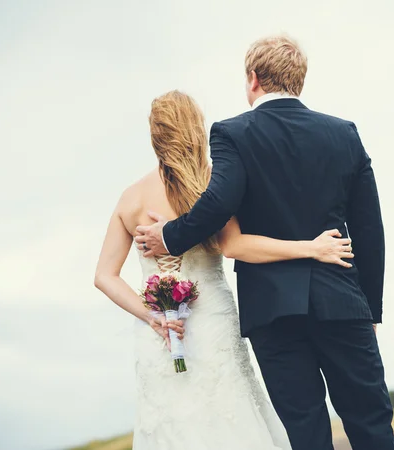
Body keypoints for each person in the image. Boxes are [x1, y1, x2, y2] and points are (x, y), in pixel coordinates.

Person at [135, 35, 394, 450]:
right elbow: (370, 229)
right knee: (372, 427)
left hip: (273, 311)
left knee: (307, 434)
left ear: (253, 79)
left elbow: (217, 203)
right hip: (343, 302)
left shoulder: (233, 133)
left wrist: (169, 236)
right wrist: (372, 308)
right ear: (299, 81)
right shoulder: (343, 133)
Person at [94, 90, 353, 449]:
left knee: (172, 422)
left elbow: (104, 276)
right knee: (232, 415)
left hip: (159, 333)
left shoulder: (131, 197)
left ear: (155, 135)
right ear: (196, 129)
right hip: (212, 319)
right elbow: (235, 246)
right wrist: (311, 248)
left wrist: (152, 314)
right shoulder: (212, 185)